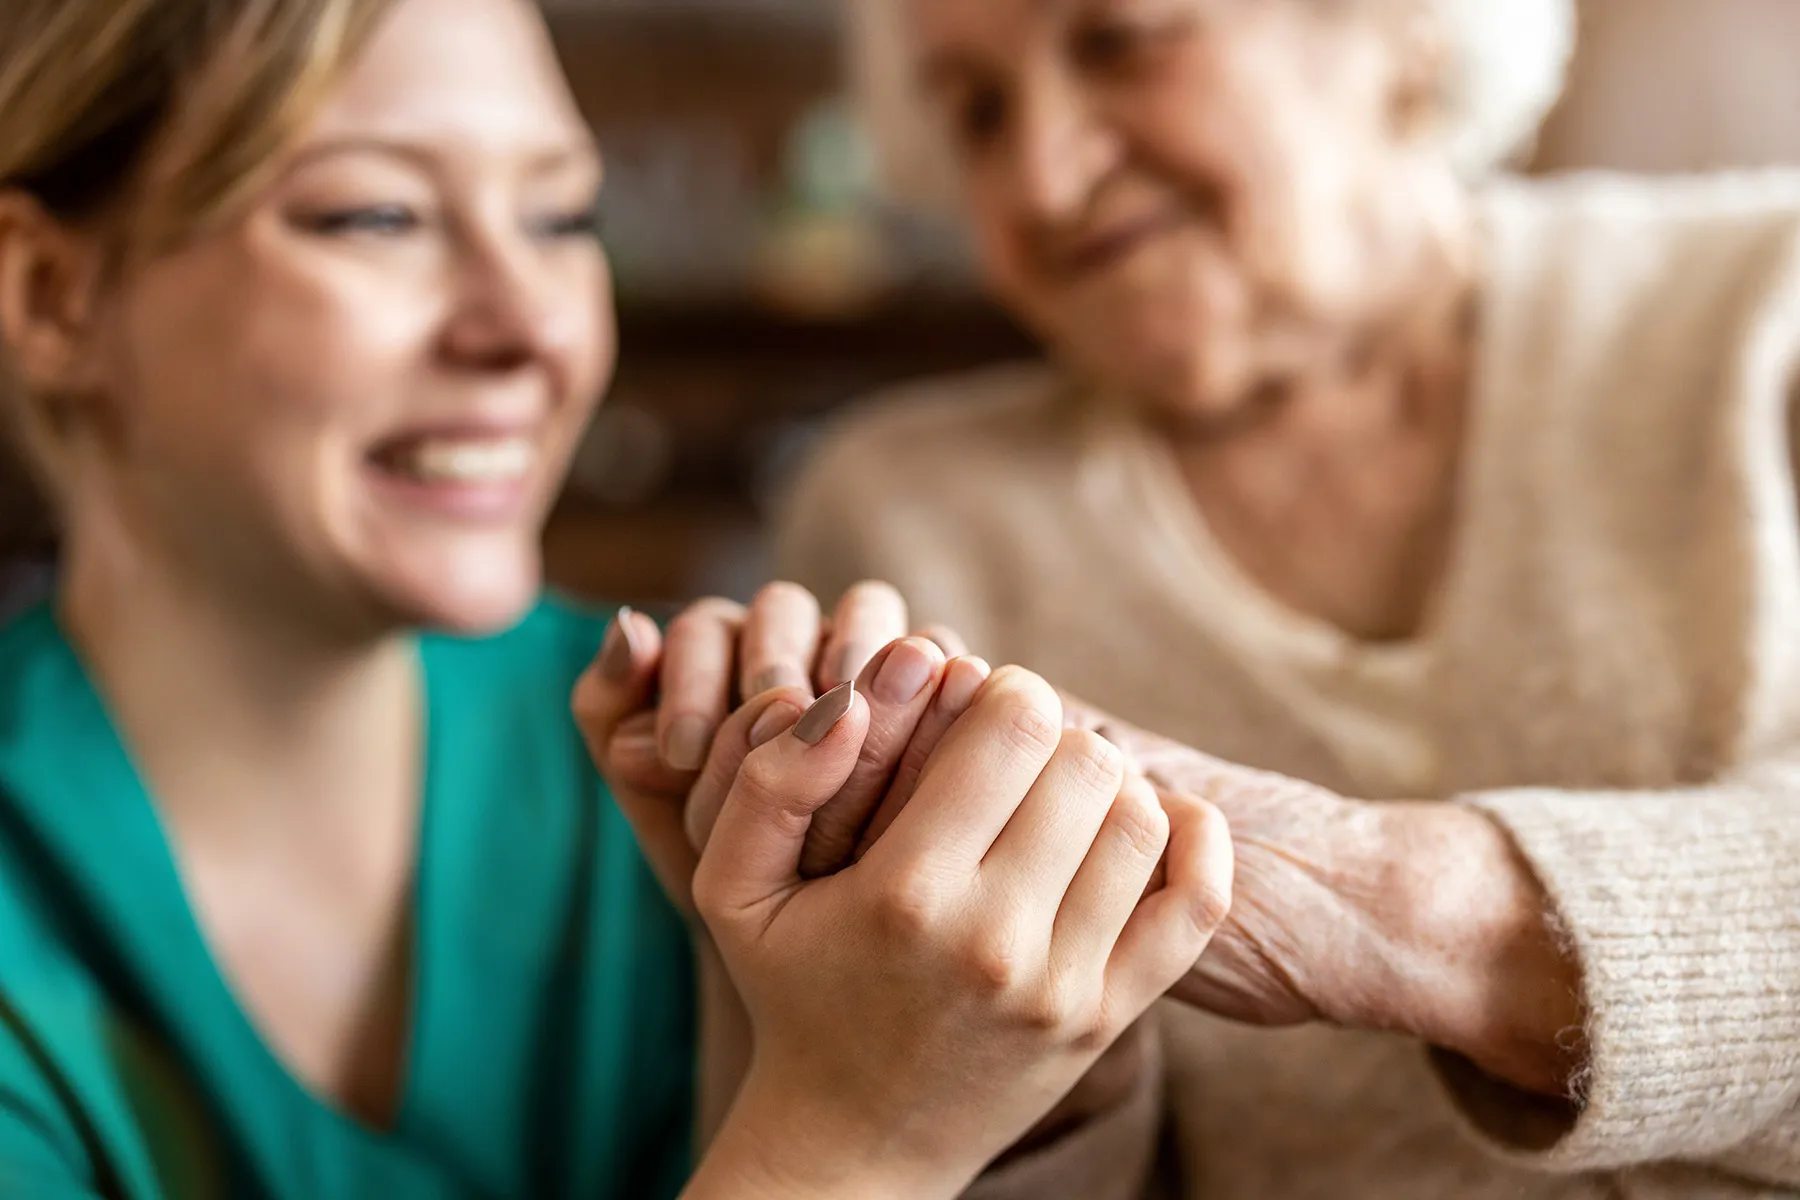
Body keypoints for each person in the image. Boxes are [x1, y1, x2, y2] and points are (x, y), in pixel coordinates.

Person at [0, 0, 1236, 1196]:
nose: (531, 324)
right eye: (377, 214)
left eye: (561, 217)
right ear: (52, 296)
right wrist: (853, 1142)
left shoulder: (700, 768)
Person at [775, 0, 1800, 1195]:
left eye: (1119, 41)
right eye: (977, 112)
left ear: (1400, 29)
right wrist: (1025, 1071)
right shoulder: (910, 521)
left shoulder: (1766, 307)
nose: (1044, 178)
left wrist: (1382, 903)